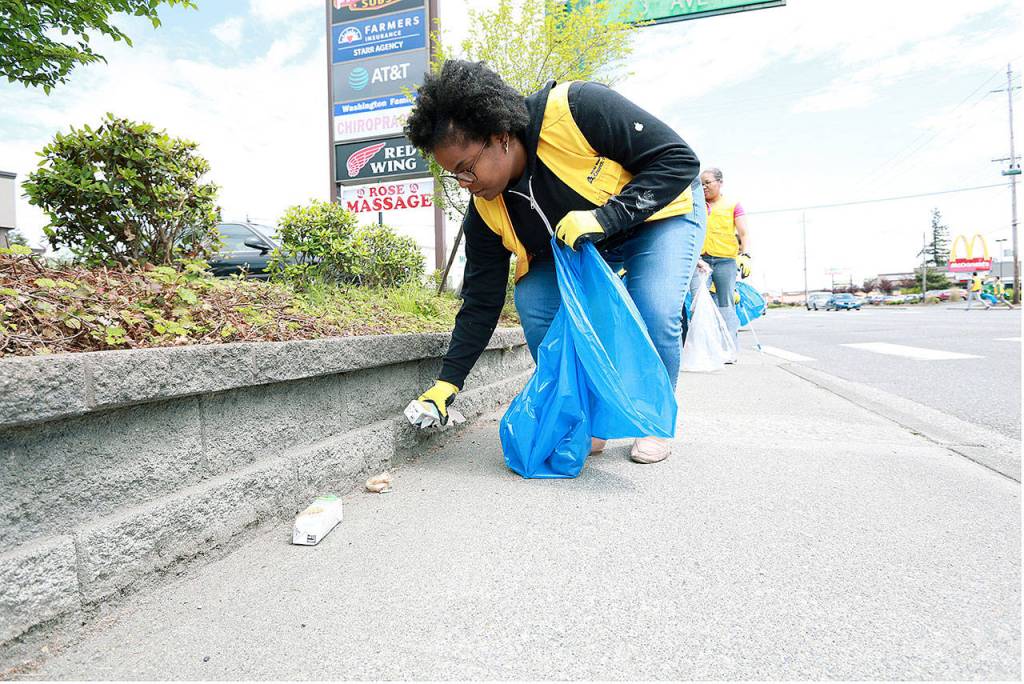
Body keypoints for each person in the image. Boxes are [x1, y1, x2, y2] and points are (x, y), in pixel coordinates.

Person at [404, 60, 705, 464]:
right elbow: (480, 303)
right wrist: (447, 383)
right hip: (578, 245)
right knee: (535, 301)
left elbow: (678, 160)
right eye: (454, 177)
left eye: (466, 169)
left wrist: (606, 217)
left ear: (500, 137)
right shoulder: (487, 211)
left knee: (652, 306)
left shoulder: (575, 110)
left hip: (657, 214)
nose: (465, 184)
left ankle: (650, 419)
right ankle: (587, 419)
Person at [698, 168, 750, 356]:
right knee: (700, 304)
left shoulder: (733, 204)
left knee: (726, 303)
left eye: (708, 182)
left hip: (725, 261)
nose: (703, 187)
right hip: (701, 261)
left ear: (720, 182)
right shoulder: (697, 205)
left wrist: (746, 255)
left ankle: (729, 350)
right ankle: (707, 350)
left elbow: (743, 233)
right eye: (701, 183)